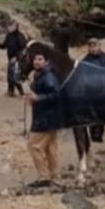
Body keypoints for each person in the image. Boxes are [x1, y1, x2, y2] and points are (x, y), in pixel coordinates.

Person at [24, 52, 62, 188]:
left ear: (46, 62)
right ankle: (55, 176)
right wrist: (33, 98)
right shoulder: (42, 75)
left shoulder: (48, 77)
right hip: (50, 118)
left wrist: (38, 99)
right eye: (35, 59)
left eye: (40, 59)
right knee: (50, 148)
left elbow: (56, 95)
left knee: (34, 146)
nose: (36, 62)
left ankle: (44, 177)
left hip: (45, 119)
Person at [0, 21, 27, 97]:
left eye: (10, 26)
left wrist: (16, 57)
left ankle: (22, 93)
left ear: (15, 27)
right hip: (10, 60)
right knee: (9, 77)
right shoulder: (8, 36)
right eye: (8, 26)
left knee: (15, 77)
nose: (9, 28)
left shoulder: (20, 36)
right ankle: (11, 92)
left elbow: (24, 49)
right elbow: (4, 46)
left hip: (18, 60)